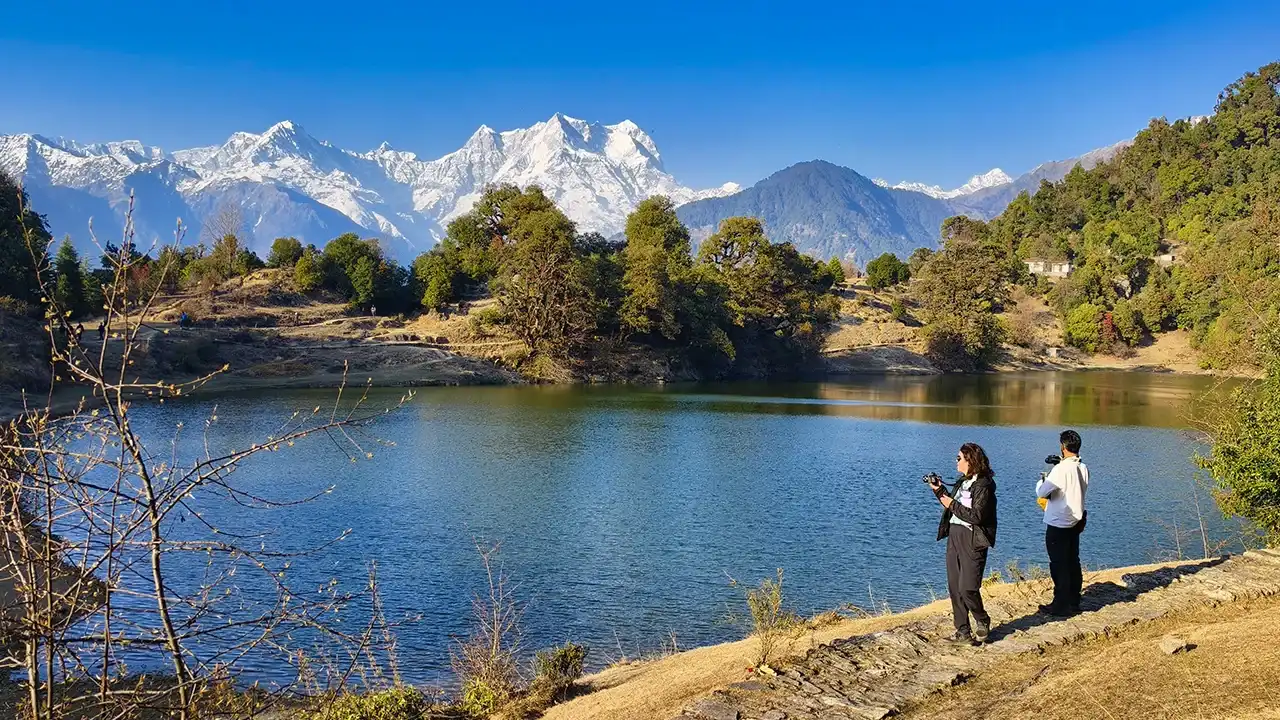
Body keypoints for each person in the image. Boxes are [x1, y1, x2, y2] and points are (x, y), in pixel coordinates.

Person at [929, 442, 999, 645]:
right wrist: (939, 491)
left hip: (972, 538)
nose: (956, 461)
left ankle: (982, 619)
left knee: (968, 587)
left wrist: (951, 503)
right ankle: (962, 631)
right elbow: (953, 507)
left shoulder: (984, 485)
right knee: (955, 587)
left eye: (959, 458)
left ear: (970, 460)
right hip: (955, 535)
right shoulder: (963, 481)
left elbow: (976, 516)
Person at [1037, 429, 1090, 616]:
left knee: (1058, 564)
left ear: (1063, 447)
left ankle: (1060, 604)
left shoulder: (1060, 470)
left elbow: (1042, 492)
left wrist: (1046, 476)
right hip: (1075, 522)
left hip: (1058, 523)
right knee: (1073, 561)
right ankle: (1074, 600)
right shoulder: (1083, 467)